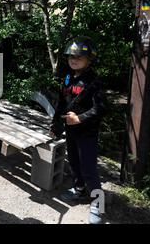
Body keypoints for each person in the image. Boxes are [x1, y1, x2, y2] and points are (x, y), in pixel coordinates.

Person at [50, 36, 107, 224]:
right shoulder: (67, 76)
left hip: (87, 133)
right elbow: (62, 103)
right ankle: (79, 190)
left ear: (90, 60)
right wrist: (55, 126)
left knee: (89, 169)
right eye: (70, 56)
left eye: (79, 57)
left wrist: (79, 118)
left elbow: (100, 108)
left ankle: (98, 205)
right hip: (71, 131)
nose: (73, 60)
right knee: (74, 162)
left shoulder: (94, 81)